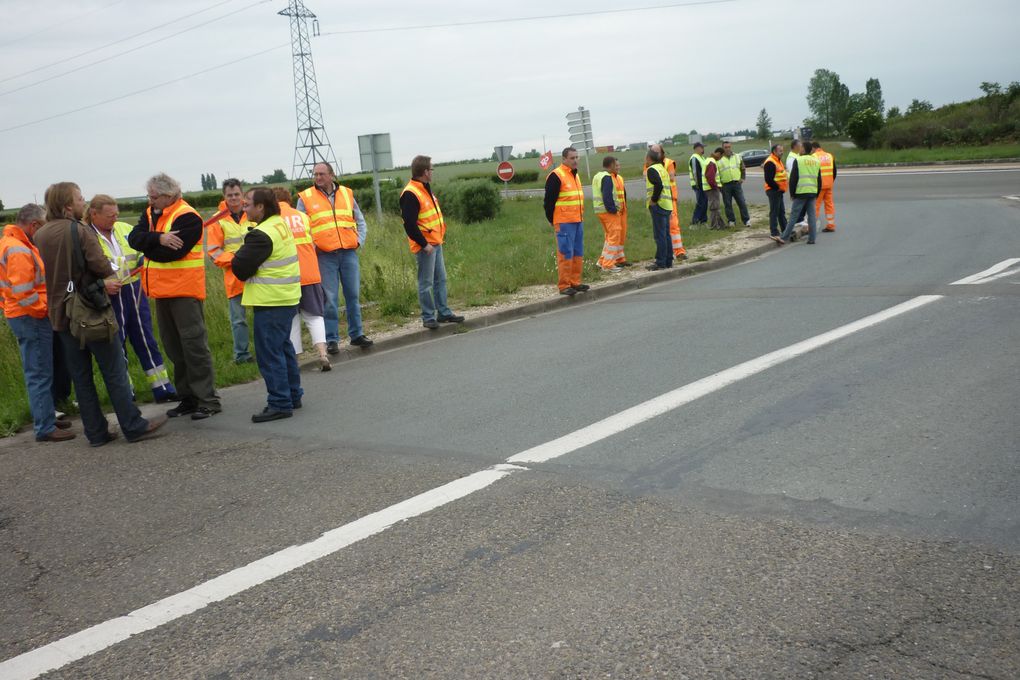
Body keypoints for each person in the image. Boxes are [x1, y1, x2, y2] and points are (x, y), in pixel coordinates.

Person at [35, 182, 167, 446]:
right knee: (114, 369)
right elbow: (101, 266)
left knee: (81, 377)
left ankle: (96, 433)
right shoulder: (80, 231)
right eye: (80, 198)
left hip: (61, 315)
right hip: (90, 309)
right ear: (68, 205)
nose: (83, 202)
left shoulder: (41, 234)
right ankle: (133, 425)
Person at [128, 173, 221, 420]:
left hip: (184, 291)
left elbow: (173, 253)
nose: (150, 201)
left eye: (154, 196)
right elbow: (134, 239)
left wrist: (149, 248)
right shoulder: (150, 213)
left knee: (193, 346)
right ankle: (187, 398)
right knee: (174, 348)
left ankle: (208, 400)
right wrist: (158, 239)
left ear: (168, 195)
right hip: (161, 291)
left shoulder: (187, 216)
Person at [87, 195, 177, 403]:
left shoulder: (124, 229)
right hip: (108, 295)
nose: (114, 219)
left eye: (116, 214)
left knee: (146, 339)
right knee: (117, 343)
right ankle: (126, 392)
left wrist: (146, 256)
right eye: (110, 216)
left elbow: (141, 250)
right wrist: (103, 284)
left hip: (134, 289)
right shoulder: (87, 236)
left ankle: (162, 387)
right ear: (94, 214)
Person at [1, 204, 75, 442]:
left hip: (18, 314)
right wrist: (45, 310)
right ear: (34, 225)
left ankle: (46, 418)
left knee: (38, 370)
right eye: (42, 227)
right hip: (31, 316)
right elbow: (24, 292)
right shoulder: (19, 250)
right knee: (40, 373)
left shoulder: (9, 243)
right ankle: (45, 426)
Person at [230, 188, 302, 422]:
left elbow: (240, 268)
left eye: (248, 203)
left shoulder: (261, 234)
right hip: (285, 296)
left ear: (261, 207)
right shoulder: (279, 224)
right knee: (283, 348)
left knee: (269, 353)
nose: (244, 206)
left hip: (270, 300)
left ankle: (280, 402)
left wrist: (236, 255)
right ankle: (292, 394)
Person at [296, 162, 373, 353]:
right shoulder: (305, 198)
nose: (318, 177)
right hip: (324, 256)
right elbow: (301, 229)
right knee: (329, 299)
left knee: (353, 295)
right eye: (315, 174)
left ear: (332, 175)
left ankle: (356, 335)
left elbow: (360, 220)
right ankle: (331, 339)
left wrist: (358, 241)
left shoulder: (347, 193)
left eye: (322, 174)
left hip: (348, 253)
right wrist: (314, 248)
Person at [400, 155, 465, 329]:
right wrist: (424, 244)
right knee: (426, 283)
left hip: (435, 242)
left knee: (440, 280)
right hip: (426, 246)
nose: (432, 172)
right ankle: (428, 317)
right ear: (425, 172)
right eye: (431, 169)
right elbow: (409, 224)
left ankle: (443, 313)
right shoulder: (411, 193)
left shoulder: (424, 188)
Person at [273, 187, 330, 371]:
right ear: (288, 200)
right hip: (310, 273)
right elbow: (314, 243)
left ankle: (295, 360)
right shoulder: (303, 217)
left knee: (293, 319)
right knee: (314, 316)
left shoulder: (273, 220)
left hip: (287, 276)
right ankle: (323, 354)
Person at [205, 178, 254, 363]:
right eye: (230, 195)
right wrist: (237, 260)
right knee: (238, 320)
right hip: (234, 275)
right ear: (223, 196)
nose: (234, 198)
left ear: (242, 194)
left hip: (258, 273)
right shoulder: (217, 220)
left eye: (236, 194)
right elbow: (214, 251)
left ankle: (266, 351)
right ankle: (242, 355)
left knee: (262, 315)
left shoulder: (252, 213)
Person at [543, 147, 589, 296]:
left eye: (577, 157)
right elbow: (549, 202)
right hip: (564, 222)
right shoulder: (556, 175)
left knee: (577, 252)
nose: (575, 160)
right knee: (565, 253)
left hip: (577, 220)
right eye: (572, 158)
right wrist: (552, 219)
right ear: (564, 159)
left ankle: (575, 282)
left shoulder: (575, 175)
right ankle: (564, 285)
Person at [778, 141, 822, 244]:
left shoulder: (798, 160)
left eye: (801, 147)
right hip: (812, 192)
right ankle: (812, 239)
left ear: (803, 149)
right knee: (811, 216)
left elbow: (793, 179)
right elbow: (819, 179)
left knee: (794, 216)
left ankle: (784, 237)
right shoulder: (816, 161)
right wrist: (817, 193)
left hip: (801, 192)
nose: (800, 149)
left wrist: (792, 194)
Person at [650, 144, 687, 260]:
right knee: (661, 230)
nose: (656, 154)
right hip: (657, 200)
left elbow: (671, 177)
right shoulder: (649, 165)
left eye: (658, 152)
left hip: (669, 198)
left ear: (662, 152)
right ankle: (668, 254)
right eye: (653, 152)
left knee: (673, 225)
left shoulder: (669, 163)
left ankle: (679, 252)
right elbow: (646, 176)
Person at [593, 155, 628, 272]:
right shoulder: (607, 177)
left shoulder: (598, 176)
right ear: (612, 165)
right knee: (614, 236)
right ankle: (608, 265)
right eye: (615, 164)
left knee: (609, 238)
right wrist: (613, 210)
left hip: (600, 211)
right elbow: (607, 196)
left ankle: (601, 261)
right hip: (608, 212)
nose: (617, 166)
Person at [645, 147, 674, 271]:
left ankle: (660, 261)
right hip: (667, 204)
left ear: (648, 158)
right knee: (666, 234)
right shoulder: (662, 168)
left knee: (660, 235)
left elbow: (659, 185)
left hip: (659, 205)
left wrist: (653, 200)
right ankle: (668, 260)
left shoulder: (651, 170)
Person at [719, 141, 751, 227]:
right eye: (726, 147)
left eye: (729, 147)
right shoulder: (719, 159)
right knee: (728, 204)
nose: (728, 149)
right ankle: (731, 221)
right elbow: (717, 173)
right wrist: (719, 185)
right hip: (725, 185)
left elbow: (743, 168)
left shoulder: (737, 156)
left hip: (737, 184)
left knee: (742, 202)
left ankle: (746, 220)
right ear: (723, 148)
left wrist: (743, 178)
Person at [762, 144, 789, 239]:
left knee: (781, 211)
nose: (782, 152)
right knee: (774, 211)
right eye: (780, 151)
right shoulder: (770, 162)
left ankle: (785, 230)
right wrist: (777, 187)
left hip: (778, 190)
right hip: (774, 191)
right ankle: (774, 232)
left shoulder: (777, 160)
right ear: (774, 151)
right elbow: (768, 179)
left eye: (782, 150)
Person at [812, 141, 838, 232]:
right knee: (829, 205)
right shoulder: (829, 155)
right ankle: (831, 225)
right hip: (829, 185)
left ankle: (813, 227)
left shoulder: (814, 157)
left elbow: (813, 172)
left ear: (813, 148)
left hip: (819, 186)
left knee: (816, 206)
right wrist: (830, 181)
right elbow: (834, 171)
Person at [785, 139, 809, 227]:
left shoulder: (797, 156)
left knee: (802, 203)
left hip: (800, 184)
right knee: (798, 203)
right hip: (797, 184)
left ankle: (801, 218)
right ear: (795, 147)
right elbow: (794, 173)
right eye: (800, 146)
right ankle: (798, 220)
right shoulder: (792, 158)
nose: (802, 147)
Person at [704, 147, 726, 230]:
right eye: (721, 156)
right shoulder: (711, 162)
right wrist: (715, 187)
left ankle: (721, 225)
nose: (720, 158)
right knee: (714, 208)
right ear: (719, 154)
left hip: (710, 188)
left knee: (716, 207)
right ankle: (713, 226)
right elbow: (710, 177)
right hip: (711, 188)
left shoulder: (709, 160)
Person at [687, 142, 708, 225]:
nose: (703, 149)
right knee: (700, 203)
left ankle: (703, 220)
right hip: (698, 185)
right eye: (702, 147)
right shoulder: (694, 158)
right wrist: (699, 185)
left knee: (705, 202)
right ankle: (694, 222)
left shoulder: (702, 157)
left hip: (704, 184)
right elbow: (696, 173)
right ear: (697, 148)